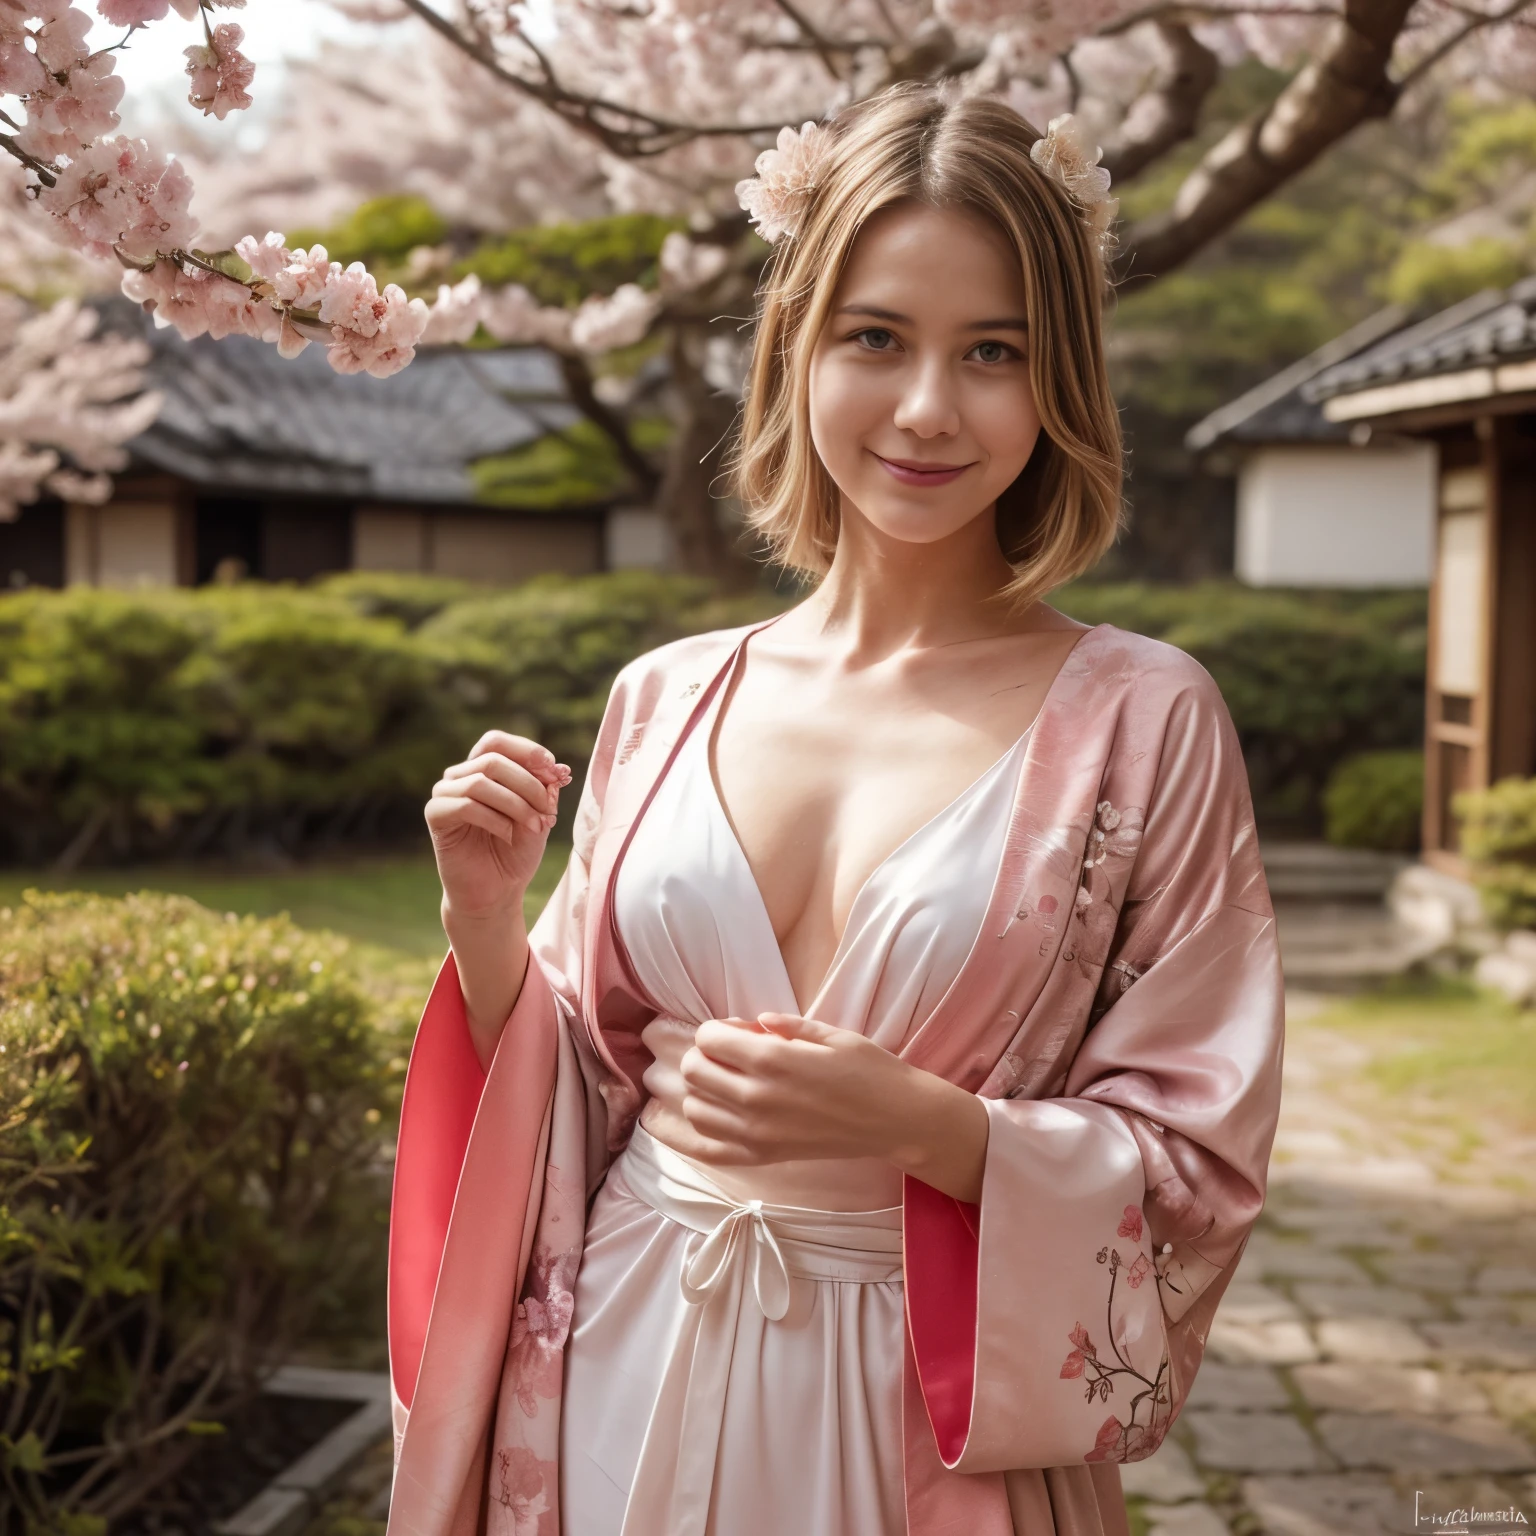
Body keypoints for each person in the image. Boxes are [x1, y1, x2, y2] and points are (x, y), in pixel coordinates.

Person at [385, 83, 1285, 1536]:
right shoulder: (665, 699)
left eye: (994, 352)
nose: (929, 407)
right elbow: (581, 1094)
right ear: (795, 348)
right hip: (624, 1349)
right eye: (876, 337)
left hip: (920, 1411)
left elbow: (1201, 1163)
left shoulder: (1143, 717)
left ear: (1063, 384)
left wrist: (938, 1129)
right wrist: (486, 924)